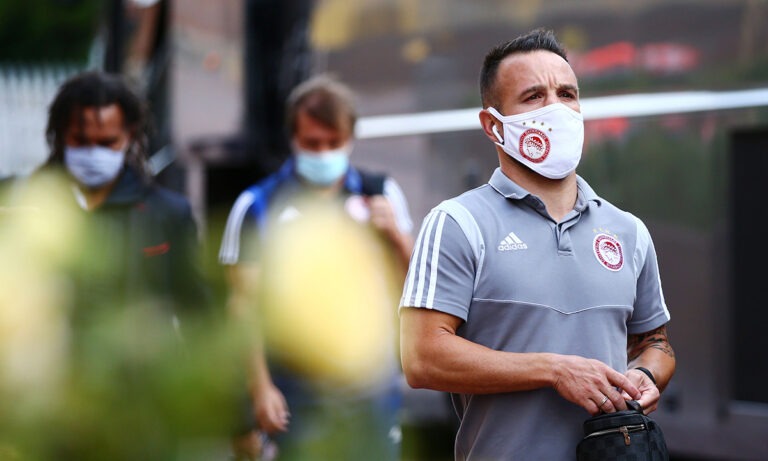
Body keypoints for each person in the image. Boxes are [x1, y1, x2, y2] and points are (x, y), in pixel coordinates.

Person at [399, 29, 676, 460]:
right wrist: (553, 370)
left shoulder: (628, 231)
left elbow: (654, 343)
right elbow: (422, 358)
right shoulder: (457, 223)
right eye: (534, 97)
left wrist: (647, 375)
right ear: (493, 125)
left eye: (567, 94)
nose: (556, 109)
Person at [218, 74, 414, 459]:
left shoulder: (381, 193)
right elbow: (243, 308)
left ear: (350, 138)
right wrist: (260, 389)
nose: (323, 153)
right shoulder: (258, 205)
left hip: (371, 385)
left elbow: (417, 287)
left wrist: (396, 235)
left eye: (333, 142)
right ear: (293, 138)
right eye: (312, 143)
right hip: (295, 388)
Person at [44, 70, 207, 321]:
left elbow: (197, 314)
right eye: (81, 140)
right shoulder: (26, 209)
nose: (93, 153)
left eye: (106, 142)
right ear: (61, 136)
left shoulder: (167, 214)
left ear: (130, 136)